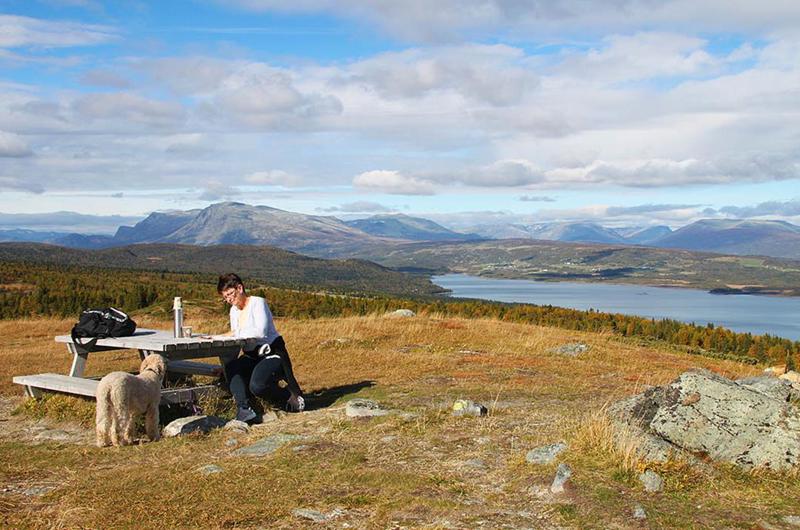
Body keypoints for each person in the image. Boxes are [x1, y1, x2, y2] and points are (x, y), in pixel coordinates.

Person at [217, 273, 304, 422]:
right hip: (251, 356)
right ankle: (244, 409)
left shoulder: (258, 303)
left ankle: (290, 397)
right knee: (231, 367)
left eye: (230, 294)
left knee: (257, 386)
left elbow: (260, 332)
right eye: (225, 297)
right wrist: (219, 339)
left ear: (240, 288)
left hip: (271, 353)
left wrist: (232, 334)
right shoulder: (234, 311)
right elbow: (237, 337)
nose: (229, 299)